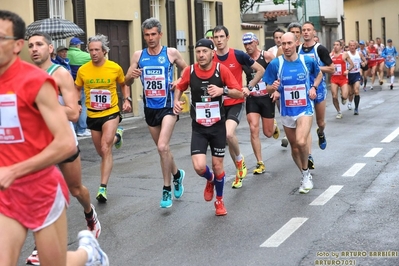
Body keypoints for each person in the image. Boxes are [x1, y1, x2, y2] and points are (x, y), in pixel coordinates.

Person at [0, 10, 108, 266]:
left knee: (55, 262)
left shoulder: (38, 80)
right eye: (32, 45)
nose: (35, 49)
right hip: (8, 192)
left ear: (16, 46)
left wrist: (14, 169)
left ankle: (89, 252)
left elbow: (67, 138)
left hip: (40, 189)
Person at [26, 32, 102, 265]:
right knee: (39, 193)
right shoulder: (25, 76)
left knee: (76, 189)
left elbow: (74, 112)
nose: (34, 49)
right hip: (38, 144)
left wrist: (47, 108)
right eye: (30, 45)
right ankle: (40, 247)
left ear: (50, 48)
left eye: (39, 44)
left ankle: (90, 214)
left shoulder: (60, 74)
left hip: (63, 141)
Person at [173, 38, 243, 215]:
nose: (201, 55)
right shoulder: (190, 71)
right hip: (199, 127)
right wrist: (176, 101)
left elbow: (239, 92)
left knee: (218, 166)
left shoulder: (222, 70)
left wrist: (223, 91)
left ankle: (219, 201)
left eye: (204, 51)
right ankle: (210, 179)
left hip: (218, 126)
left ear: (213, 53)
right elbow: (179, 86)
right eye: (198, 52)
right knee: (198, 167)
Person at [124, 18, 186, 208]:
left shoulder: (171, 53)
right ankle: (177, 174)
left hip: (168, 106)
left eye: (153, 34)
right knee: (163, 150)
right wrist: (131, 77)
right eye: (147, 35)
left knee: (161, 146)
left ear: (160, 34)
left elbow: (187, 70)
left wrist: (179, 83)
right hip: (150, 108)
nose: (150, 38)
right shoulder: (138, 55)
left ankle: (166, 189)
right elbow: (126, 81)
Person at [75, 34, 131, 203]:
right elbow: (76, 87)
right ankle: (118, 136)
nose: (93, 53)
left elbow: (123, 83)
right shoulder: (83, 70)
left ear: (104, 51)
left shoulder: (114, 68)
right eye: (91, 50)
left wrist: (126, 99)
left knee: (105, 147)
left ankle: (102, 188)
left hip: (111, 112)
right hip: (93, 114)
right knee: (102, 151)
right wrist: (77, 103)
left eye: (97, 50)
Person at [264, 32, 322, 194]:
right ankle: (304, 173)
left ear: (297, 42)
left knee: (301, 141)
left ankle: (306, 173)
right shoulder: (276, 64)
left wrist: (313, 87)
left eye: (289, 43)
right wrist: (273, 88)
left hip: (304, 108)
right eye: (283, 44)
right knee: (295, 148)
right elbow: (267, 87)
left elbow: (319, 74)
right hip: (287, 111)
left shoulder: (307, 61)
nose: (287, 47)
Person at [212, 25, 265, 189]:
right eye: (216, 37)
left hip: (235, 101)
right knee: (227, 138)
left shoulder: (238, 55)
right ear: (213, 39)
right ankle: (238, 171)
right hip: (217, 104)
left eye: (222, 36)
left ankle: (240, 160)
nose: (219, 40)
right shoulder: (210, 57)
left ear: (227, 38)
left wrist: (248, 87)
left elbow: (260, 70)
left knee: (229, 134)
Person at [298, 21, 335, 169]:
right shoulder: (298, 49)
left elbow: (332, 69)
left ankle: (321, 133)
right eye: (304, 30)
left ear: (314, 33)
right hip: (304, 91)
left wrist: (315, 67)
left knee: (320, 122)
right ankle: (309, 155)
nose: (306, 32)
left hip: (319, 90)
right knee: (305, 125)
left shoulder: (320, 49)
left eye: (309, 30)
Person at [242, 32, 279, 175]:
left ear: (256, 42)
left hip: (266, 97)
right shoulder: (243, 59)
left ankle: (273, 125)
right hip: (252, 98)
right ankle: (260, 162)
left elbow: (279, 71)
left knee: (268, 133)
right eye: (245, 44)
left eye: (250, 43)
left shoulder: (267, 56)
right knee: (253, 128)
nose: (248, 46)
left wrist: (276, 90)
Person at [68, 37, 92, 137]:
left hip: (68, 85)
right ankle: (81, 129)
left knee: (71, 105)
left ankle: (72, 129)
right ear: (78, 45)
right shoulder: (85, 55)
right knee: (83, 105)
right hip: (81, 84)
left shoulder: (66, 54)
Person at [330, 40, 354, 119]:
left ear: (341, 46)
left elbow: (352, 64)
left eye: (337, 45)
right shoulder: (330, 55)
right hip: (334, 79)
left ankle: (343, 98)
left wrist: (347, 70)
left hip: (343, 79)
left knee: (344, 96)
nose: (335, 46)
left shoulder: (344, 54)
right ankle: (339, 111)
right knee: (334, 96)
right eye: (334, 45)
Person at [347, 40, 368, 115]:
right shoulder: (346, 54)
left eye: (353, 45)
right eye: (351, 45)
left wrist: (364, 63)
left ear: (356, 46)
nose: (352, 47)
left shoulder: (359, 53)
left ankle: (356, 108)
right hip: (348, 75)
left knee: (356, 91)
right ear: (349, 46)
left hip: (356, 74)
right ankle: (349, 101)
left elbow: (365, 61)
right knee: (350, 92)